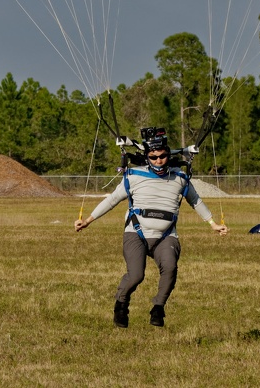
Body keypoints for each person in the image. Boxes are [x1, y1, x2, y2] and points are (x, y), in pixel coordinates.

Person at [74, 127, 228, 328]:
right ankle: (121, 304)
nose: (159, 160)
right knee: (136, 275)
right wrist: (87, 220)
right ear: (147, 157)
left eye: (163, 156)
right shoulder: (133, 176)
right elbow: (112, 200)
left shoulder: (180, 178)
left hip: (166, 235)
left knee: (170, 268)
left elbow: (196, 202)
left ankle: (158, 307)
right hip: (136, 232)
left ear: (168, 155)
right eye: (154, 157)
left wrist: (213, 224)